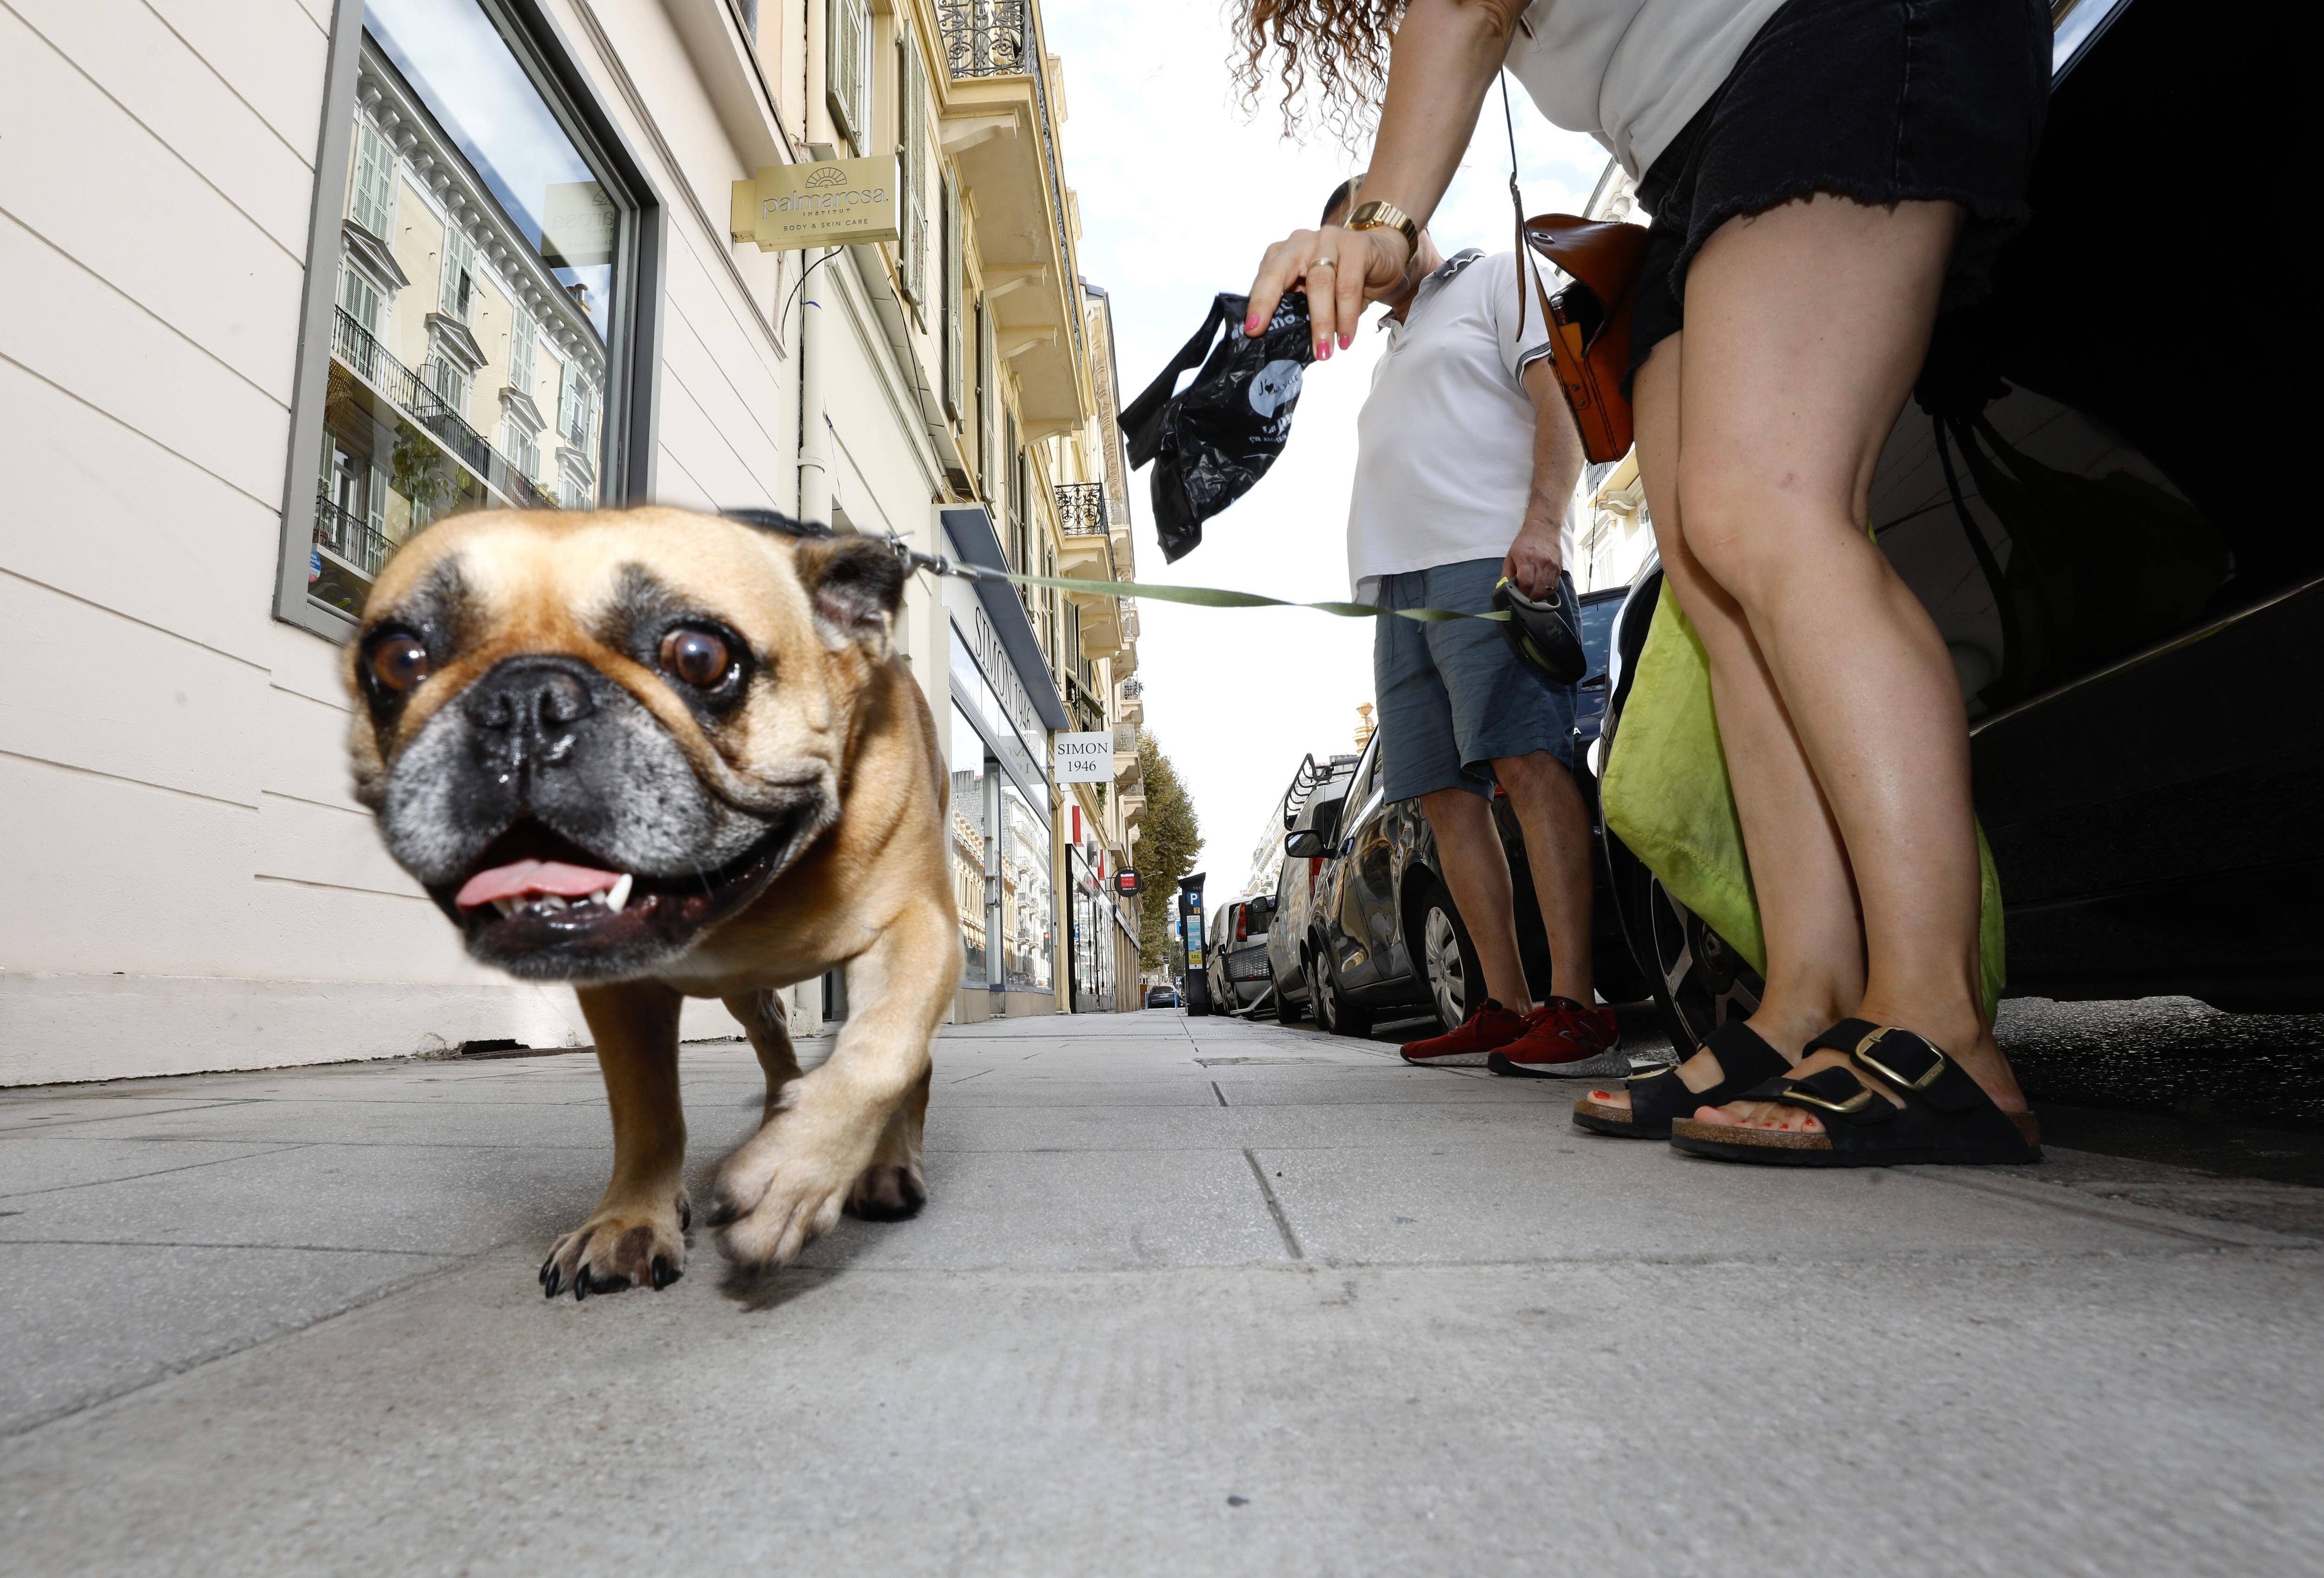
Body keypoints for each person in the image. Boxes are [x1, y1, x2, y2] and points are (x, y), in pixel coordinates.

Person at [1236, 0, 2050, 1166]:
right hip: (1696, 150)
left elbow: (1465, 10)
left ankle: (1941, 1023)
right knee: (1719, 591)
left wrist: (1378, 221)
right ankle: (1804, 1000)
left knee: (1766, 513)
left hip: (1840, 39)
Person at [1316, 175, 1620, 1077]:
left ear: (1402, 222)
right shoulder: (1391, 342)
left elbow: (1555, 400)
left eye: (1361, 246)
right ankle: (1504, 1001)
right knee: (1444, 799)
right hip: (1397, 590)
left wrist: (1543, 526)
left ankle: (1575, 1002)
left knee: (1528, 763)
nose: (1356, 270)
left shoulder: (1494, 278)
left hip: (1486, 559)